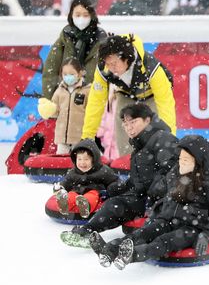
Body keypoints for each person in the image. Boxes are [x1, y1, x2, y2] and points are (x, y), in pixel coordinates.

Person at [89, 135, 209, 270]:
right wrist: (155, 213)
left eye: (186, 160)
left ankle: (132, 255)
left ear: (198, 161)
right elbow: (162, 196)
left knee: (165, 241)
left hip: (193, 227)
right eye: (180, 158)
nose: (181, 163)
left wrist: (207, 234)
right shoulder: (175, 173)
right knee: (143, 233)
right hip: (168, 219)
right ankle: (110, 250)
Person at [60, 103, 178, 248]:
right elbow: (138, 179)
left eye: (133, 122)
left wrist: (154, 196)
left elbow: (171, 172)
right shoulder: (140, 145)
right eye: (125, 124)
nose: (129, 127)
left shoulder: (163, 139)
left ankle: (119, 247)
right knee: (115, 203)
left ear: (147, 120)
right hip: (145, 197)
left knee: (130, 209)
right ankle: (87, 231)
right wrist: (118, 188)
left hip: (164, 200)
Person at [81, 33, 176, 156]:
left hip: (151, 97)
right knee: (125, 132)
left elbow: (165, 104)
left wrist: (170, 139)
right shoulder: (103, 69)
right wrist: (87, 138)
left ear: (126, 58)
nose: (110, 68)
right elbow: (95, 102)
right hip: (125, 95)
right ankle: (127, 165)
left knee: (158, 135)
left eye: (114, 64)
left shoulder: (151, 67)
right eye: (107, 64)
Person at [42, 0, 106, 100]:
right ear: (71, 15)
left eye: (86, 15)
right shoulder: (65, 36)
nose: (81, 19)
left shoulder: (101, 39)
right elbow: (51, 69)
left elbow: (107, 72)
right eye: (77, 15)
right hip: (66, 98)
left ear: (92, 16)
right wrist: (50, 99)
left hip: (93, 99)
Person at [53, 139, 119, 218]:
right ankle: (65, 204)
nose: (82, 163)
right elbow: (67, 181)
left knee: (92, 196)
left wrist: (114, 188)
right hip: (77, 190)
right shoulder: (73, 171)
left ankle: (85, 206)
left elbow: (114, 180)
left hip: (94, 190)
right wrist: (61, 187)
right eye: (79, 159)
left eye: (86, 159)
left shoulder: (102, 170)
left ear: (94, 160)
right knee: (71, 195)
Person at [38, 58, 90, 154]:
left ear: (79, 73)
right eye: (65, 74)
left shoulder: (87, 90)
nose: (68, 77)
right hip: (62, 137)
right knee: (61, 163)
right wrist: (47, 109)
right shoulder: (59, 90)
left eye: (71, 74)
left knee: (78, 162)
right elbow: (55, 112)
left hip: (79, 137)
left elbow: (91, 112)